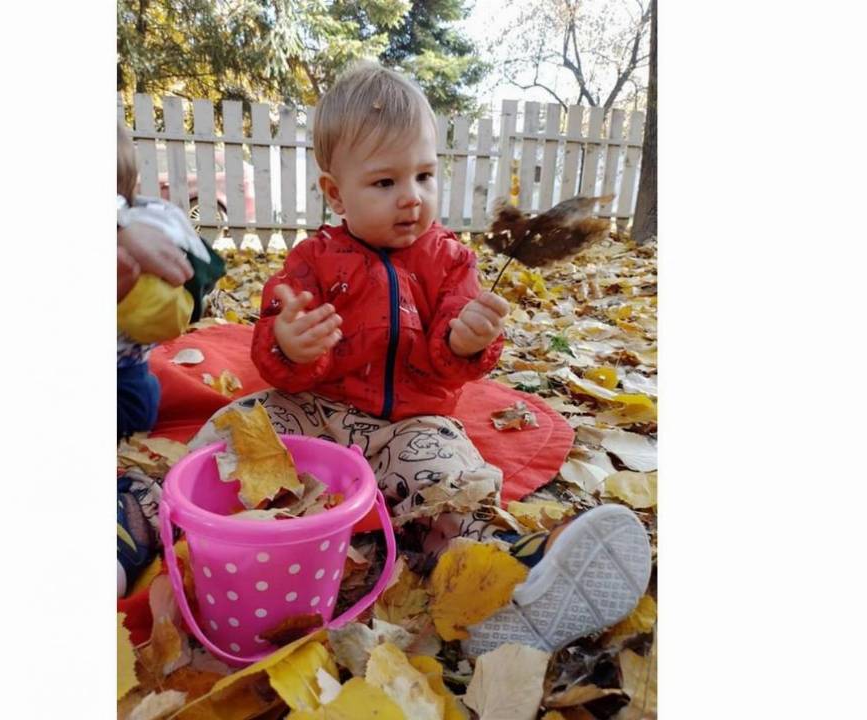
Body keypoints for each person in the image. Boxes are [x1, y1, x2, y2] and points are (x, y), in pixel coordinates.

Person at [191, 62, 650, 646]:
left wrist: (466, 341)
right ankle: (151, 521)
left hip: (412, 424)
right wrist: (290, 344)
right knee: (238, 430)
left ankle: (502, 577)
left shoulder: (449, 261)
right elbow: (273, 345)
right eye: (385, 183)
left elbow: (453, 358)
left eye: (425, 176)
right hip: (317, 412)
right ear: (336, 193)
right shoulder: (313, 261)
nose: (411, 197)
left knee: (452, 481)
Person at [116, 120, 225, 596]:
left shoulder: (152, 219)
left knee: (139, 405)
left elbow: (206, 269)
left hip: (124, 368)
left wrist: (174, 269)